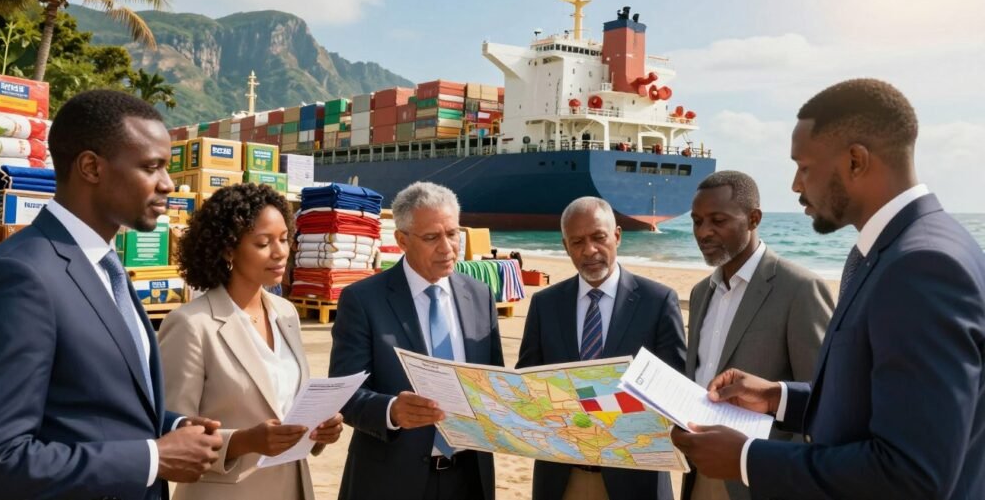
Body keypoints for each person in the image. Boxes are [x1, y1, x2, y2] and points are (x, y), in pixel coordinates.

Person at [671, 78, 985, 499]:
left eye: (803, 167)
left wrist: (747, 459)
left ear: (855, 161)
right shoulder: (893, 250)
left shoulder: (921, 265)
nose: (796, 186)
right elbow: (868, 404)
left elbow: (912, 474)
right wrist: (777, 397)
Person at [0, 90, 223, 499]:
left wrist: (171, 428)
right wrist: (152, 458)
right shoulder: (21, 278)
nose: (168, 184)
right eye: (151, 167)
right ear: (90, 167)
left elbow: (90, 409)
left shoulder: (105, 266)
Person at [158, 183, 344, 500]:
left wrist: (320, 430)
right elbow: (170, 434)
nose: (281, 251)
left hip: (294, 489)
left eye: (285, 239)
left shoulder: (286, 314)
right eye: (263, 243)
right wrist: (245, 441)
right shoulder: (191, 325)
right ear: (228, 249)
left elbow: (287, 404)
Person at [329, 181, 504, 500]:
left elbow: (495, 382)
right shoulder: (363, 300)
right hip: (390, 481)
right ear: (401, 240)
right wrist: (392, 410)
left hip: (469, 479)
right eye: (432, 237)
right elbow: (344, 393)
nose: (448, 248)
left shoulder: (480, 296)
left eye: (453, 234)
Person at [517, 196, 686, 500]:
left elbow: (675, 386)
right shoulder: (544, 304)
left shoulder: (658, 301)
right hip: (564, 478)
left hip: (636, 481)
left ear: (617, 236)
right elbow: (527, 382)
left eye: (598, 237)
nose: (589, 250)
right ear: (565, 245)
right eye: (577, 241)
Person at [683, 170, 834, 500]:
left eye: (717, 220)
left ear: (753, 219)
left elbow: (826, 399)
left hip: (762, 483)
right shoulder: (699, 293)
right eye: (696, 221)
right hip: (698, 476)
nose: (703, 232)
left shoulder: (800, 289)